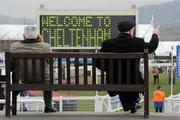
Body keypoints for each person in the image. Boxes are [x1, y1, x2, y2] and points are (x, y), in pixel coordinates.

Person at [96, 21, 160, 113]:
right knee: (129, 78)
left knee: (121, 78)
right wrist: (155, 34)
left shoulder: (107, 44)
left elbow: (98, 63)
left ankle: (131, 104)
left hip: (113, 81)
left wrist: (110, 69)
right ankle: (134, 100)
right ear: (130, 30)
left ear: (119, 31)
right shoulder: (137, 42)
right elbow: (152, 46)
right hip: (134, 81)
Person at [10, 25, 57, 113]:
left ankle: (14, 102)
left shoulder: (14, 47)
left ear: (24, 36)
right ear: (38, 36)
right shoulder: (46, 47)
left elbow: (11, 66)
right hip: (43, 80)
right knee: (47, 79)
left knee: (16, 73)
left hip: (24, 79)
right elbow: (51, 61)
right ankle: (48, 106)